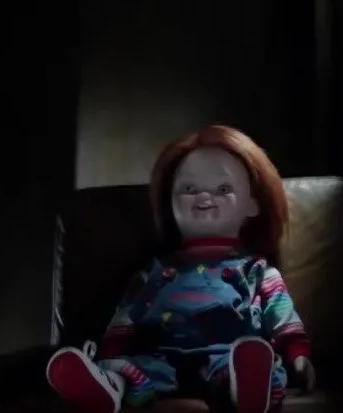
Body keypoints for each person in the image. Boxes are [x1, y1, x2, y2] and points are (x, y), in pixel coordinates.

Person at [45, 125, 316, 413]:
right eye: (188, 189)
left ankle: (247, 390)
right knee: (130, 370)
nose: (204, 197)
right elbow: (126, 317)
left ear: (253, 204)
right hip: (158, 355)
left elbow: (283, 317)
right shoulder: (155, 272)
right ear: (170, 201)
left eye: (223, 189)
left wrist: (299, 355)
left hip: (230, 354)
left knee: (253, 364)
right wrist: (111, 355)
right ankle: (107, 387)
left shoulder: (257, 271)